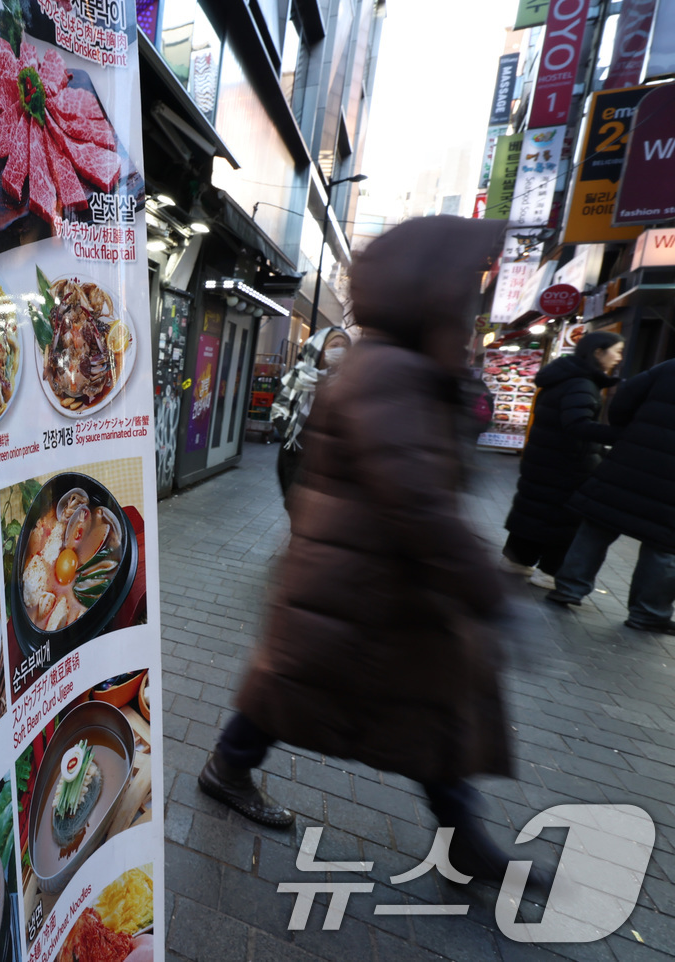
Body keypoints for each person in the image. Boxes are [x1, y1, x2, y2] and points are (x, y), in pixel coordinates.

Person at [197, 216, 521, 880]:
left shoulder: (395, 366)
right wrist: (489, 591)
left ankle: (463, 836)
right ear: (430, 291)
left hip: (363, 583)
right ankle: (462, 837)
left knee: (354, 700)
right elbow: (419, 502)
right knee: (388, 707)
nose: (470, 303)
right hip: (364, 586)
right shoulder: (390, 375)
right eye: (464, 288)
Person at [547, 358, 675, 632]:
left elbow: (625, 396)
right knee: (665, 544)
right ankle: (648, 612)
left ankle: (569, 588)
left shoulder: (669, 367)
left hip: (634, 457)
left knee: (598, 523)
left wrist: (632, 430)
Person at [501, 332, 625, 590]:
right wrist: (619, 434)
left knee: (535, 509)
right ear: (598, 352)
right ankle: (549, 571)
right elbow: (577, 425)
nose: (619, 357)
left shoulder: (564, 378)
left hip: (546, 460)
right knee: (565, 518)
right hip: (566, 465)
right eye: (617, 350)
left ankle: (517, 560)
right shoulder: (581, 383)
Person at [270, 326, 351, 495]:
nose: (340, 350)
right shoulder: (298, 377)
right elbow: (279, 410)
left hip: (332, 468)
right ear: (320, 349)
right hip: (296, 461)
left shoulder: (349, 383)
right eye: (334, 345)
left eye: (344, 346)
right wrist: (294, 437)